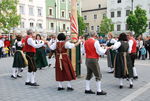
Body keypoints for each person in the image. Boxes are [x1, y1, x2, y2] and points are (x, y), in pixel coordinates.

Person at [84, 31, 107, 95]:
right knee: (98, 75)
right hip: (93, 59)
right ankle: (99, 91)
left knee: (89, 74)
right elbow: (100, 52)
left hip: (87, 59)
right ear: (95, 35)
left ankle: (87, 89)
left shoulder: (86, 41)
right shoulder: (95, 41)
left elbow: (83, 51)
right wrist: (105, 49)